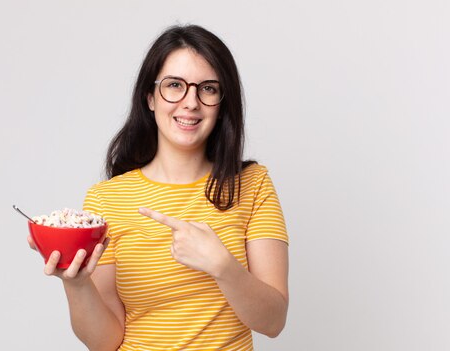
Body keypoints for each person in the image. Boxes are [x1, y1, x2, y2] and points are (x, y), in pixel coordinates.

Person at [28, 24, 289, 351]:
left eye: (207, 88)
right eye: (174, 86)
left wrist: (222, 266)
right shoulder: (107, 199)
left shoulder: (253, 185)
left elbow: (274, 321)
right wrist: (77, 285)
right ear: (150, 98)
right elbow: (105, 342)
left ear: (222, 103)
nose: (190, 102)